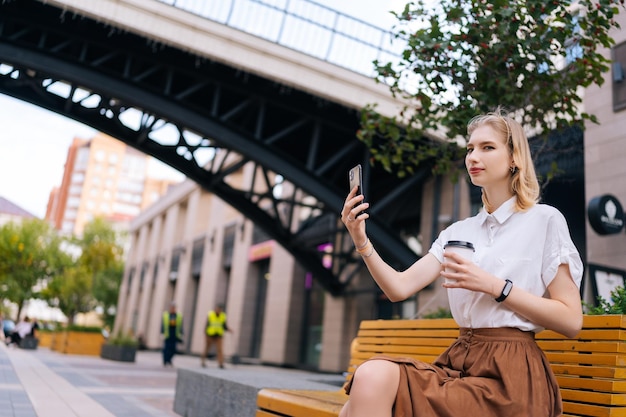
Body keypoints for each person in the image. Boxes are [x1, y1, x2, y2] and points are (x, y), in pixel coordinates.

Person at [339, 107, 583, 417]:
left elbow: (571, 320)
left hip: (510, 379)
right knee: (371, 377)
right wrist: (361, 241)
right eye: (469, 148)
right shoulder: (458, 232)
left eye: (487, 147)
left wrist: (495, 286)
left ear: (514, 158)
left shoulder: (545, 220)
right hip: (458, 365)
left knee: (361, 397)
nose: (472, 156)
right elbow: (399, 288)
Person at [201, 304, 233, 369]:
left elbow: (224, 326)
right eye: (218, 309)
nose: (218, 310)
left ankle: (221, 363)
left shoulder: (223, 316)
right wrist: (205, 333)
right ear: (215, 309)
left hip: (219, 335)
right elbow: (207, 324)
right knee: (207, 348)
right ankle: (203, 361)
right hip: (210, 334)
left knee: (220, 349)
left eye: (220, 309)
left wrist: (229, 330)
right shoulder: (211, 315)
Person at [161, 301, 183, 367]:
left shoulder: (178, 316)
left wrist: (181, 333)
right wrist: (162, 333)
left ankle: (169, 359)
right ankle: (165, 360)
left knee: (173, 349)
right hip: (167, 334)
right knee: (166, 348)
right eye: (172, 307)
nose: (173, 309)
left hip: (175, 334)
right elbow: (162, 325)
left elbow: (180, 325)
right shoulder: (166, 315)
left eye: (174, 307)